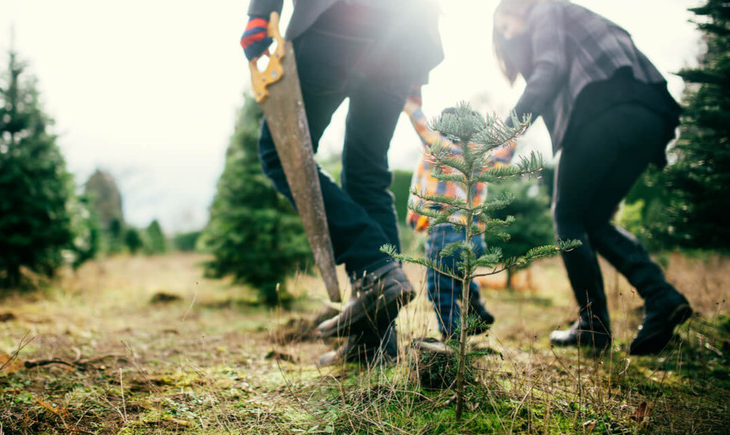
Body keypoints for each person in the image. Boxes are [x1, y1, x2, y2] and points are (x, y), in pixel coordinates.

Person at [240, 0, 444, 366]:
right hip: (405, 36)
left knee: (280, 155)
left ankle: (376, 267)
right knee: (366, 175)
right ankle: (374, 345)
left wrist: (259, 15)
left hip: (336, 24)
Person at [492, 0, 691, 354]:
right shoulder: (565, 18)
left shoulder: (544, 8)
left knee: (566, 217)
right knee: (594, 220)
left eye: (505, 26)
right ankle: (661, 298)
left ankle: (593, 325)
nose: (507, 36)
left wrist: (507, 132)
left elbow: (549, 69)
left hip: (604, 111)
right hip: (648, 116)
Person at [403, 91, 515, 344]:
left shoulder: (442, 148)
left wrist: (410, 103)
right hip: (474, 234)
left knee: (440, 286)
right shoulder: (482, 156)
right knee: (462, 276)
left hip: (445, 231)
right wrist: (514, 125)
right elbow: (506, 153)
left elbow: (421, 126)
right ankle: (476, 305)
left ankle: (451, 338)